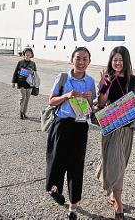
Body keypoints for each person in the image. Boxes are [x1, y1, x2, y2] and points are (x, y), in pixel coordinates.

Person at [46, 47, 96, 220]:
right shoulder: (63, 78)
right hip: (62, 124)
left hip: (80, 126)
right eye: (78, 58)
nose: (81, 62)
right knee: (57, 160)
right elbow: (51, 101)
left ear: (89, 61)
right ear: (71, 60)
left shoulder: (90, 81)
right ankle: (54, 189)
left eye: (85, 59)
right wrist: (67, 95)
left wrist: (89, 100)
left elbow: (92, 108)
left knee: (76, 165)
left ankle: (73, 206)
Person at [96, 46, 135, 219]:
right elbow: (101, 103)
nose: (117, 62)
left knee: (120, 164)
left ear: (126, 60)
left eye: (121, 59)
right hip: (111, 127)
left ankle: (110, 186)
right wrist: (104, 86)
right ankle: (119, 206)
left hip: (127, 127)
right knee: (116, 163)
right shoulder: (107, 78)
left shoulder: (134, 80)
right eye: (115, 59)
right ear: (110, 61)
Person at [11, 48, 39, 119]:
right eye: (26, 52)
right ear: (24, 54)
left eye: (29, 52)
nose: (28, 53)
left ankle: (24, 113)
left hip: (29, 84)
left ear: (31, 54)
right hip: (21, 83)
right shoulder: (20, 62)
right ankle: (20, 112)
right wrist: (13, 82)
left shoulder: (33, 63)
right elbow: (16, 72)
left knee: (27, 99)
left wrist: (32, 72)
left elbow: (35, 74)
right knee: (23, 98)